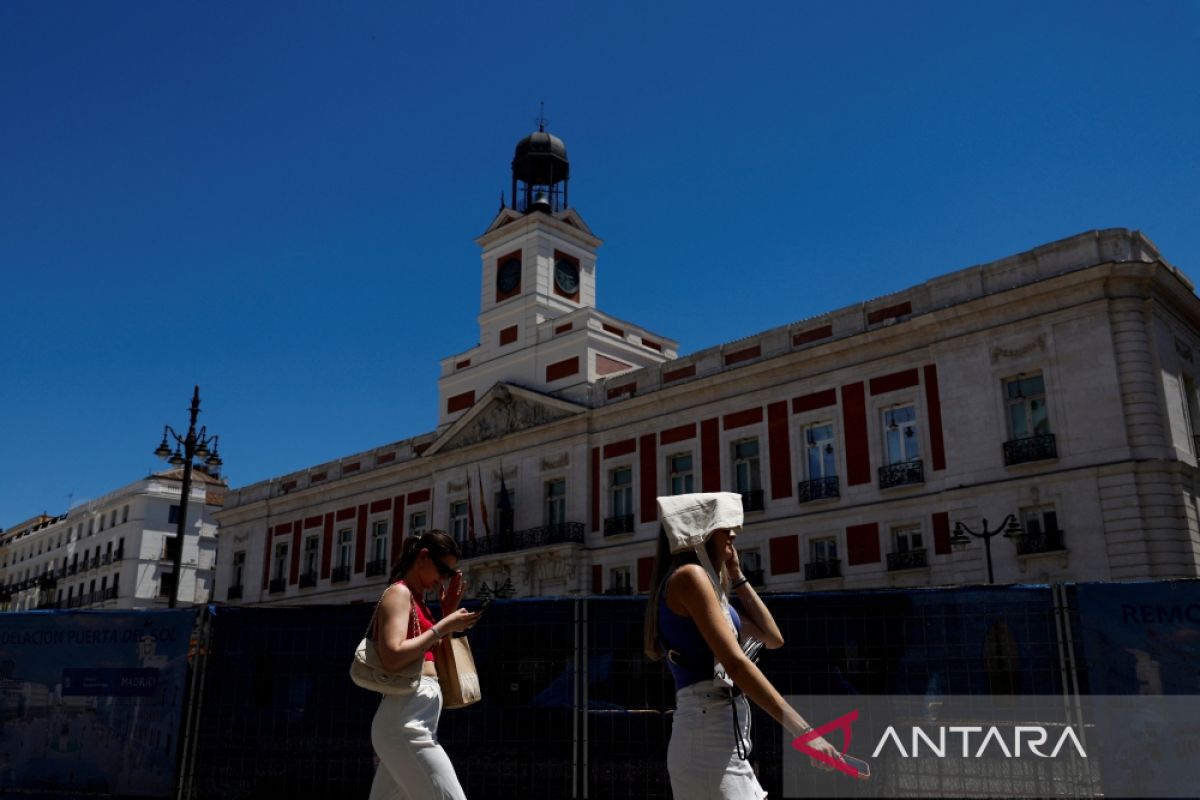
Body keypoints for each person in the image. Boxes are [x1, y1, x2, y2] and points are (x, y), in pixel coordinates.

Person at [644, 492, 843, 799]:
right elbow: (736, 664)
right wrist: (805, 732)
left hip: (718, 735)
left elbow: (772, 638)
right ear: (702, 529)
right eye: (724, 525)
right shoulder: (690, 577)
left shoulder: (705, 585)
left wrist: (736, 575)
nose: (734, 533)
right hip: (707, 737)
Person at [367, 530, 479, 800]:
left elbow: (432, 663)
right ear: (423, 557)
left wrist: (447, 612)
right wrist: (443, 626)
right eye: (442, 569)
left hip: (411, 722)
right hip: (406, 726)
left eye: (449, 573)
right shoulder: (399, 594)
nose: (442, 578)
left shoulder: (421, 604)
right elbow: (392, 656)